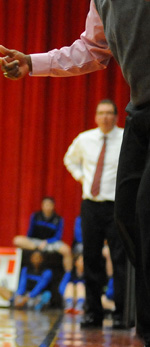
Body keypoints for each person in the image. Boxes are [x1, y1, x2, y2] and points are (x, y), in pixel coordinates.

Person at [0, 0, 150, 347]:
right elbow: (91, 50)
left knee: (146, 212)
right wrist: (33, 64)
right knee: (128, 216)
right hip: (142, 113)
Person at [63, 99, 128, 329]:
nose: (105, 117)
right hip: (90, 205)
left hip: (116, 205)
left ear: (117, 116)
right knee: (91, 258)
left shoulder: (125, 138)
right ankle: (93, 312)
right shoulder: (85, 139)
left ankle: (121, 313)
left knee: (119, 260)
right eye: (101, 113)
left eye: (110, 113)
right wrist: (82, 178)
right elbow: (69, 159)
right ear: (95, 116)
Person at [11, 196, 71, 274]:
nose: (47, 207)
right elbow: (30, 233)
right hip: (36, 242)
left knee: (67, 250)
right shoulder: (35, 216)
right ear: (42, 206)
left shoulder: (58, 219)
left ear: (53, 206)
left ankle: (67, 275)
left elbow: (58, 236)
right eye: (45, 205)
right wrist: (33, 244)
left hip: (51, 243)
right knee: (17, 240)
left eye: (49, 205)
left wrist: (47, 242)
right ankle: (16, 271)